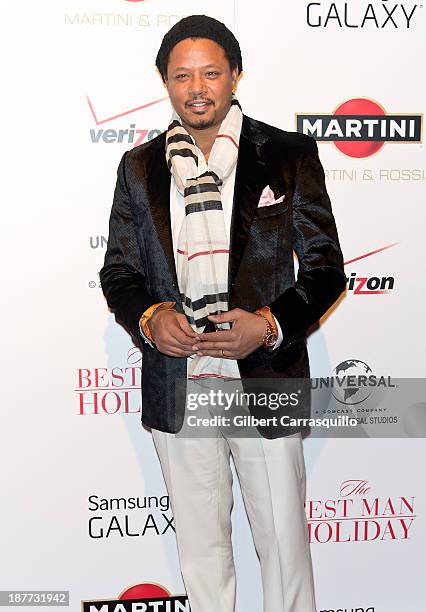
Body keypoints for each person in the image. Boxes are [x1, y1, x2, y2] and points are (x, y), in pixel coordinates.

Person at [100, 14, 346, 612]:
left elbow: (325, 268)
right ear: (165, 83)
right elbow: (119, 273)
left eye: (211, 72)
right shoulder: (139, 168)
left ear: (235, 75)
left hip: (263, 375)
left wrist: (268, 325)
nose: (198, 87)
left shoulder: (286, 154)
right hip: (180, 381)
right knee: (201, 556)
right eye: (182, 76)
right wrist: (150, 317)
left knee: (285, 550)